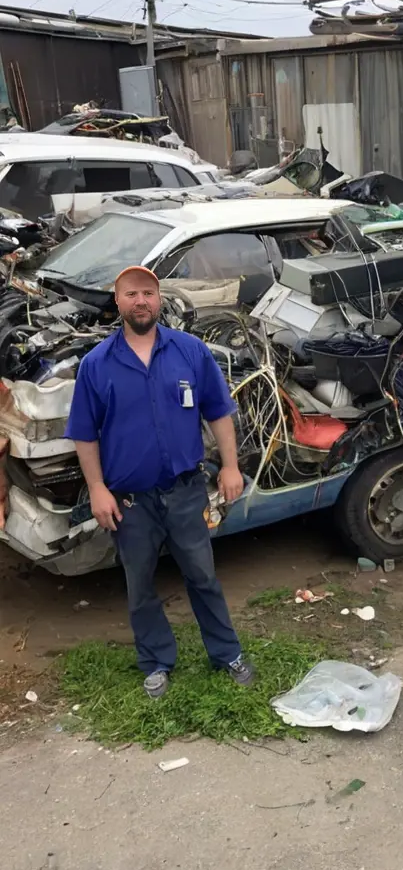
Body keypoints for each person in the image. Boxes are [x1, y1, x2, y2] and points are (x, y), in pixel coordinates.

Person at [65, 265, 255, 699]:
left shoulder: (190, 351)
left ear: (159, 299)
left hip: (185, 492)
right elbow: (84, 433)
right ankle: (156, 662)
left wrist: (230, 466)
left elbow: (218, 411)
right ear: (118, 301)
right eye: (131, 294)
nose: (141, 301)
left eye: (148, 293)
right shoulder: (97, 365)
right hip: (130, 502)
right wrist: (96, 489)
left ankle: (227, 653)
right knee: (140, 585)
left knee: (203, 576)